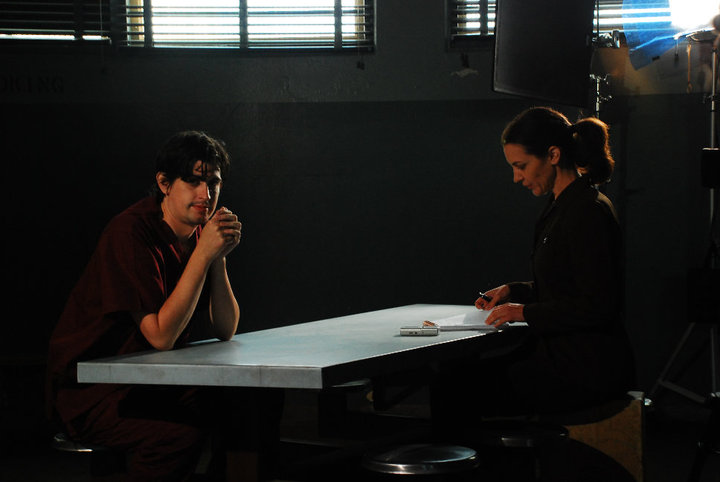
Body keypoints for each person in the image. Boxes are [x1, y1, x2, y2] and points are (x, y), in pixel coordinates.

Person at [46, 131, 280, 481]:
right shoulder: (130, 232)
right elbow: (160, 336)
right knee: (177, 436)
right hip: (94, 392)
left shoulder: (199, 233)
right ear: (164, 184)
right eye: (193, 181)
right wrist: (203, 254)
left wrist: (217, 257)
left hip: (154, 381)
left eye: (213, 183)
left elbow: (225, 328)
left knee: (250, 404)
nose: (206, 195)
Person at [431, 107, 635, 433]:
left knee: (454, 389)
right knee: (453, 380)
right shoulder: (563, 205)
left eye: (521, 166)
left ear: (553, 155)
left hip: (585, 368)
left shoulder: (587, 211)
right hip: (560, 356)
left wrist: (523, 312)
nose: (517, 178)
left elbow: (597, 306)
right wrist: (514, 291)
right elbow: (565, 284)